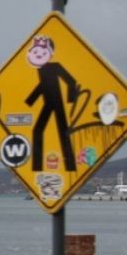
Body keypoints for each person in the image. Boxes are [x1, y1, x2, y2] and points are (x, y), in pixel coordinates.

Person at [24, 35, 78, 172]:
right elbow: (43, 85)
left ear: (50, 54)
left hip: (57, 102)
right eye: (36, 53)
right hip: (49, 103)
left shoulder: (55, 66)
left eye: (43, 53)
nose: (39, 55)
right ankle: (38, 166)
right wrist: (30, 100)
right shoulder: (41, 69)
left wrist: (70, 99)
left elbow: (71, 81)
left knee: (62, 132)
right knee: (39, 131)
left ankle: (69, 166)